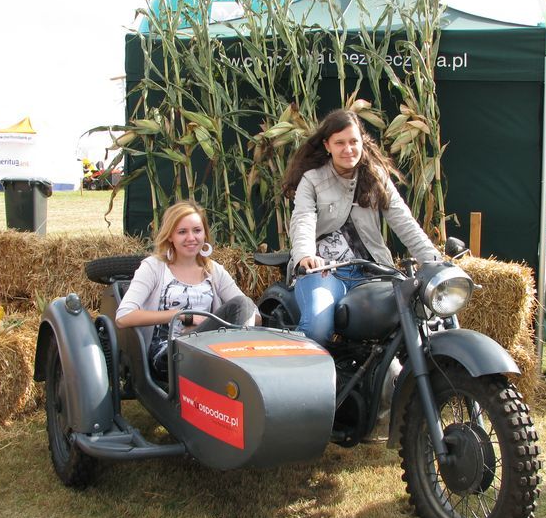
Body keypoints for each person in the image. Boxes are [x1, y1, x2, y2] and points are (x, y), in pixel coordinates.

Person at [284, 109, 439, 346]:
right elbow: (302, 218)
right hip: (325, 272)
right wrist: (305, 255)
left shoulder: (376, 177)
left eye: (353, 141)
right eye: (340, 143)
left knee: (415, 316)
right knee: (318, 326)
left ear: (362, 142)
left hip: (373, 272)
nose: (348, 149)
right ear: (327, 146)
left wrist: (434, 260)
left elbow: (404, 221)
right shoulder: (313, 180)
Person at [115, 200, 259, 376]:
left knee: (243, 303)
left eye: (197, 231)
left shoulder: (213, 270)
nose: (191, 238)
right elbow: (123, 316)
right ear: (170, 236)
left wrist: (211, 323)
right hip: (168, 354)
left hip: (209, 349)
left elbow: (253, 315)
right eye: (182, 232)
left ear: (205, 234)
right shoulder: (154, 267)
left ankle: (241, 365)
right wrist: (185, 316)